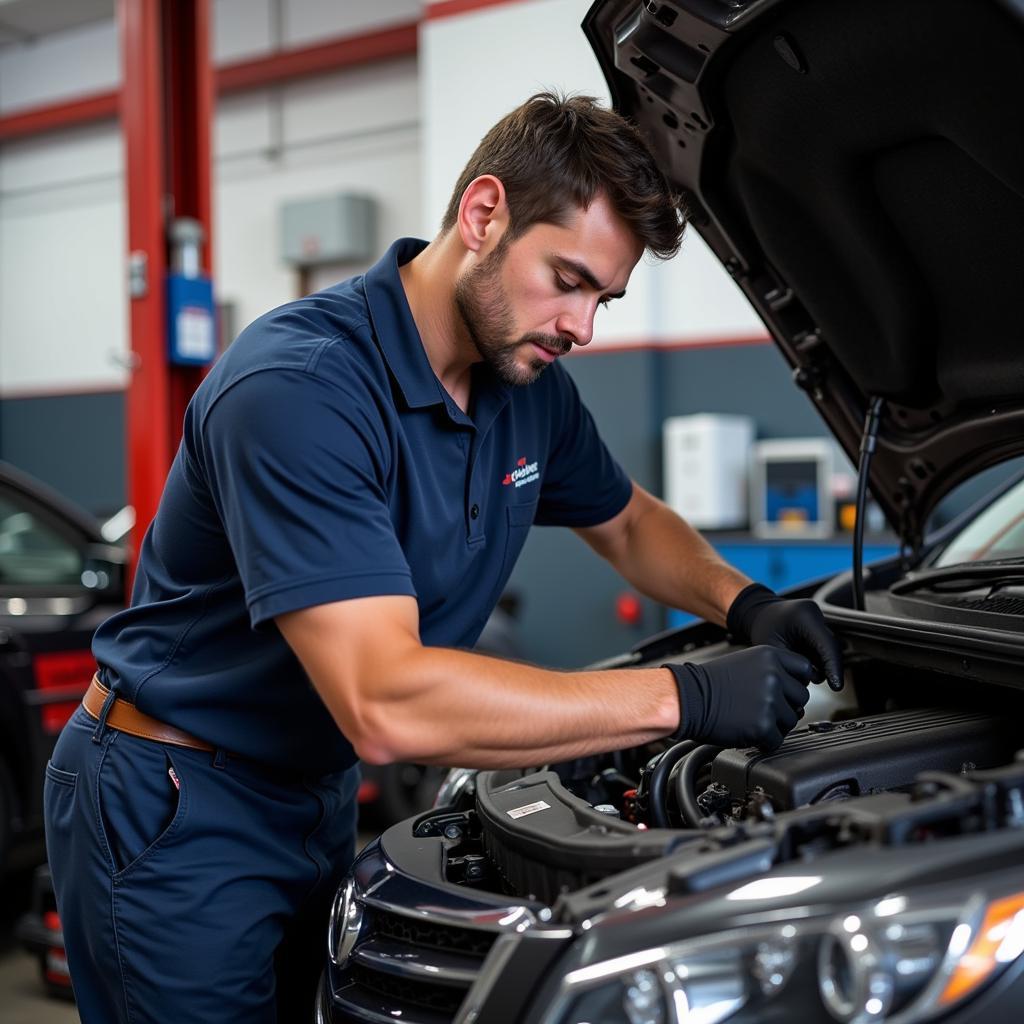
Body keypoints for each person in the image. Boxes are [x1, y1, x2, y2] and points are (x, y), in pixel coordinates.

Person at [43, 92, 842, 1023]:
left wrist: (745, 602)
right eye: (570, 279)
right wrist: (686, 699)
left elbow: (628, 522)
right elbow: (385, 699)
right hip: (173, 799)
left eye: (604, 300)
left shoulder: (525, 381)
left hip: (314, 789)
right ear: (483, 214)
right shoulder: (300, 388)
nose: (583, 328)